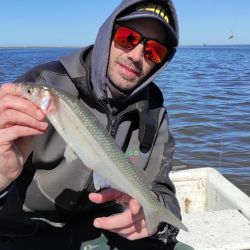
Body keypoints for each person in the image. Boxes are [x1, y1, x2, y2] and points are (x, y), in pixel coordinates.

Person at [0, 0, 193, 249]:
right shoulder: (42, 81)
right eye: (128, 38)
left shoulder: (154, 114)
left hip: (101, 227)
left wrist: (154, 219)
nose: (136, 56)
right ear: (108, 34)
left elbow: (162, 190)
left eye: (153, 51)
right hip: (21, 230)